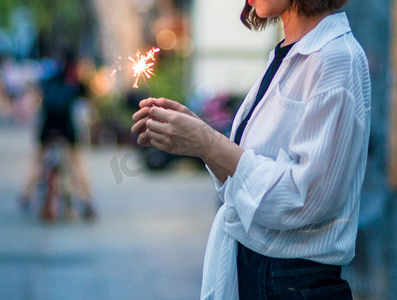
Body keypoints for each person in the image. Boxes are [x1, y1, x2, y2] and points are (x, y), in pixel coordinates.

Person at [132, 0, 370, 298]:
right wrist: (199, 139)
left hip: (293, 283)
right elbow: (243, 185)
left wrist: (208, 142)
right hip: (259, 272)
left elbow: (308, 198)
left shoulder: (335, 58)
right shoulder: (287, 54)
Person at [20, 53, 97, 221]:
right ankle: (86, 200)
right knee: (77, 164)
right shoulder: (74, 83)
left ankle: (26, 195)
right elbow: (88, 99)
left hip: (48, 127)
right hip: (66, 127)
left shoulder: (47, 80)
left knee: (38, 161)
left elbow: (37, 96)